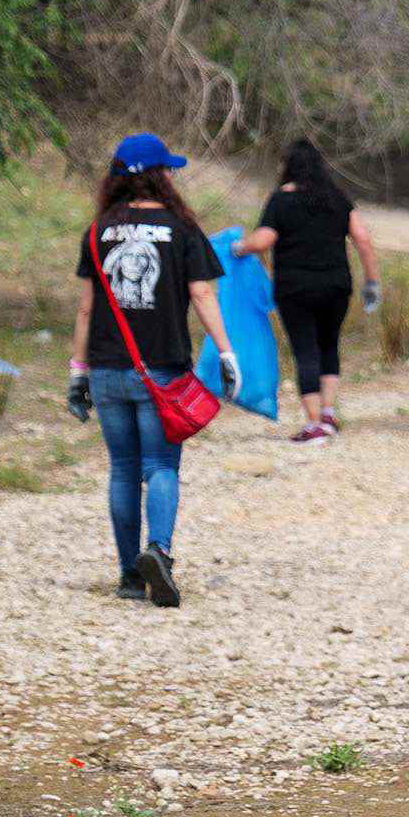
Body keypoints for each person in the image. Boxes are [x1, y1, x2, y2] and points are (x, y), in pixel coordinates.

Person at [67, 133, 240, 608]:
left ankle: (128, 576)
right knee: (161, 465)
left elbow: (86, 309)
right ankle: (159, 551)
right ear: (158, 176)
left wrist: (78, 373)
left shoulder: (98, 230)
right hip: (161, 369)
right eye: (168, 169)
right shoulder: (181, 228)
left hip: (105, 368)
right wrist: (226, 352)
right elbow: (204, 295)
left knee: (122, 470)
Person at [230, 138, 380, 443]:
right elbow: (362, 238)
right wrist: (373, 282)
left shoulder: (282, 200)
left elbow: (263, 241)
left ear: (288, 166)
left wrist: (238, 247)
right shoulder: (337, 198)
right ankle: (327, 412)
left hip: (296, 288)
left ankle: (314, 425)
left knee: (306, 349)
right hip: (337, 285)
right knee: (328, 345)